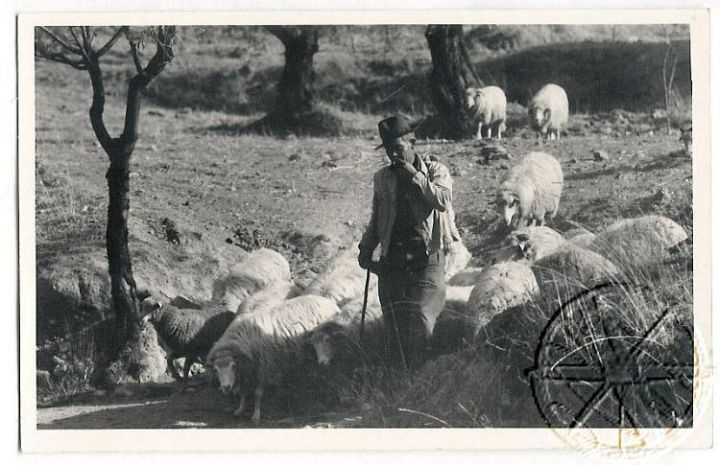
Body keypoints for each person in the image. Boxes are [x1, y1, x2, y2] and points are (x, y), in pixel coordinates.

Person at [358, 115, 454, 370]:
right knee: (394, 323)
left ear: (413, 143)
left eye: (398, 148)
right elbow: (378, 218)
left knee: (422, 318)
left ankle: (421, 377)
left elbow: (443, 200)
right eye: (389, 150)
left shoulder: (436, 171)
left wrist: (416, 176)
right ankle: (396, 379)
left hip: (426, 258)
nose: (393, 155)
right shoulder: (383, 178)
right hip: (394, 260)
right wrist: (366, 248)